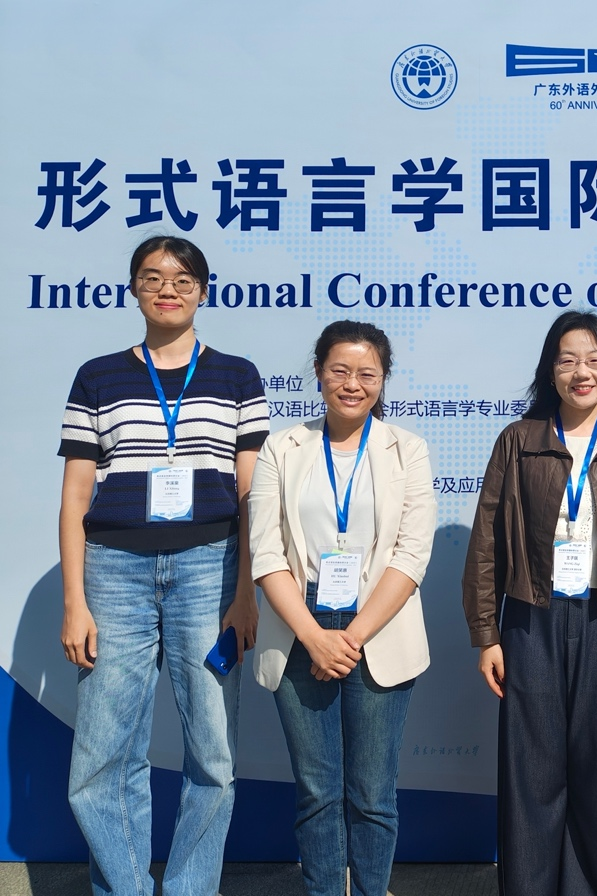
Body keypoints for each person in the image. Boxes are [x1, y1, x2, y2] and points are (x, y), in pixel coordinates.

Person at [58, 236, 269, 896]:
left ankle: (188, 889)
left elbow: (252, 495)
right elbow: (75, 496)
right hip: (113, 571)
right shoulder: (98, 376)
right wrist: (74, 601)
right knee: (102, 755)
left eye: (182, 278)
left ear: (203, 290)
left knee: (212, 751)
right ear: (134, 290)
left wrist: (245, 593)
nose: (167, 289)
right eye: (151, 277)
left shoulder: (237, 375)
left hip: (211, 570)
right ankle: (125, 888)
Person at [462, 310, 597, 896]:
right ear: (549, 370)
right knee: (530, 771)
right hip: (531, 619)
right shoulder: (519, 441)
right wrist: (487, 634)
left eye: (595, 360)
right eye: (568, 360)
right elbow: (486, 542)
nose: (583, 372)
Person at [249, 321, 437, 896]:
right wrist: (314, 636)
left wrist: (350, 636)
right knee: (317, 791)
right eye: (340, 370)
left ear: (382, 380)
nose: (352, 384)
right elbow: (266, 550)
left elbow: (411, 554)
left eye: (367, 374)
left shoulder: (407, 449)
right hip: (299, 624)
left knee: (373, 793)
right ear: (318, 373)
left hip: (377, 625)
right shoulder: (283, 447)